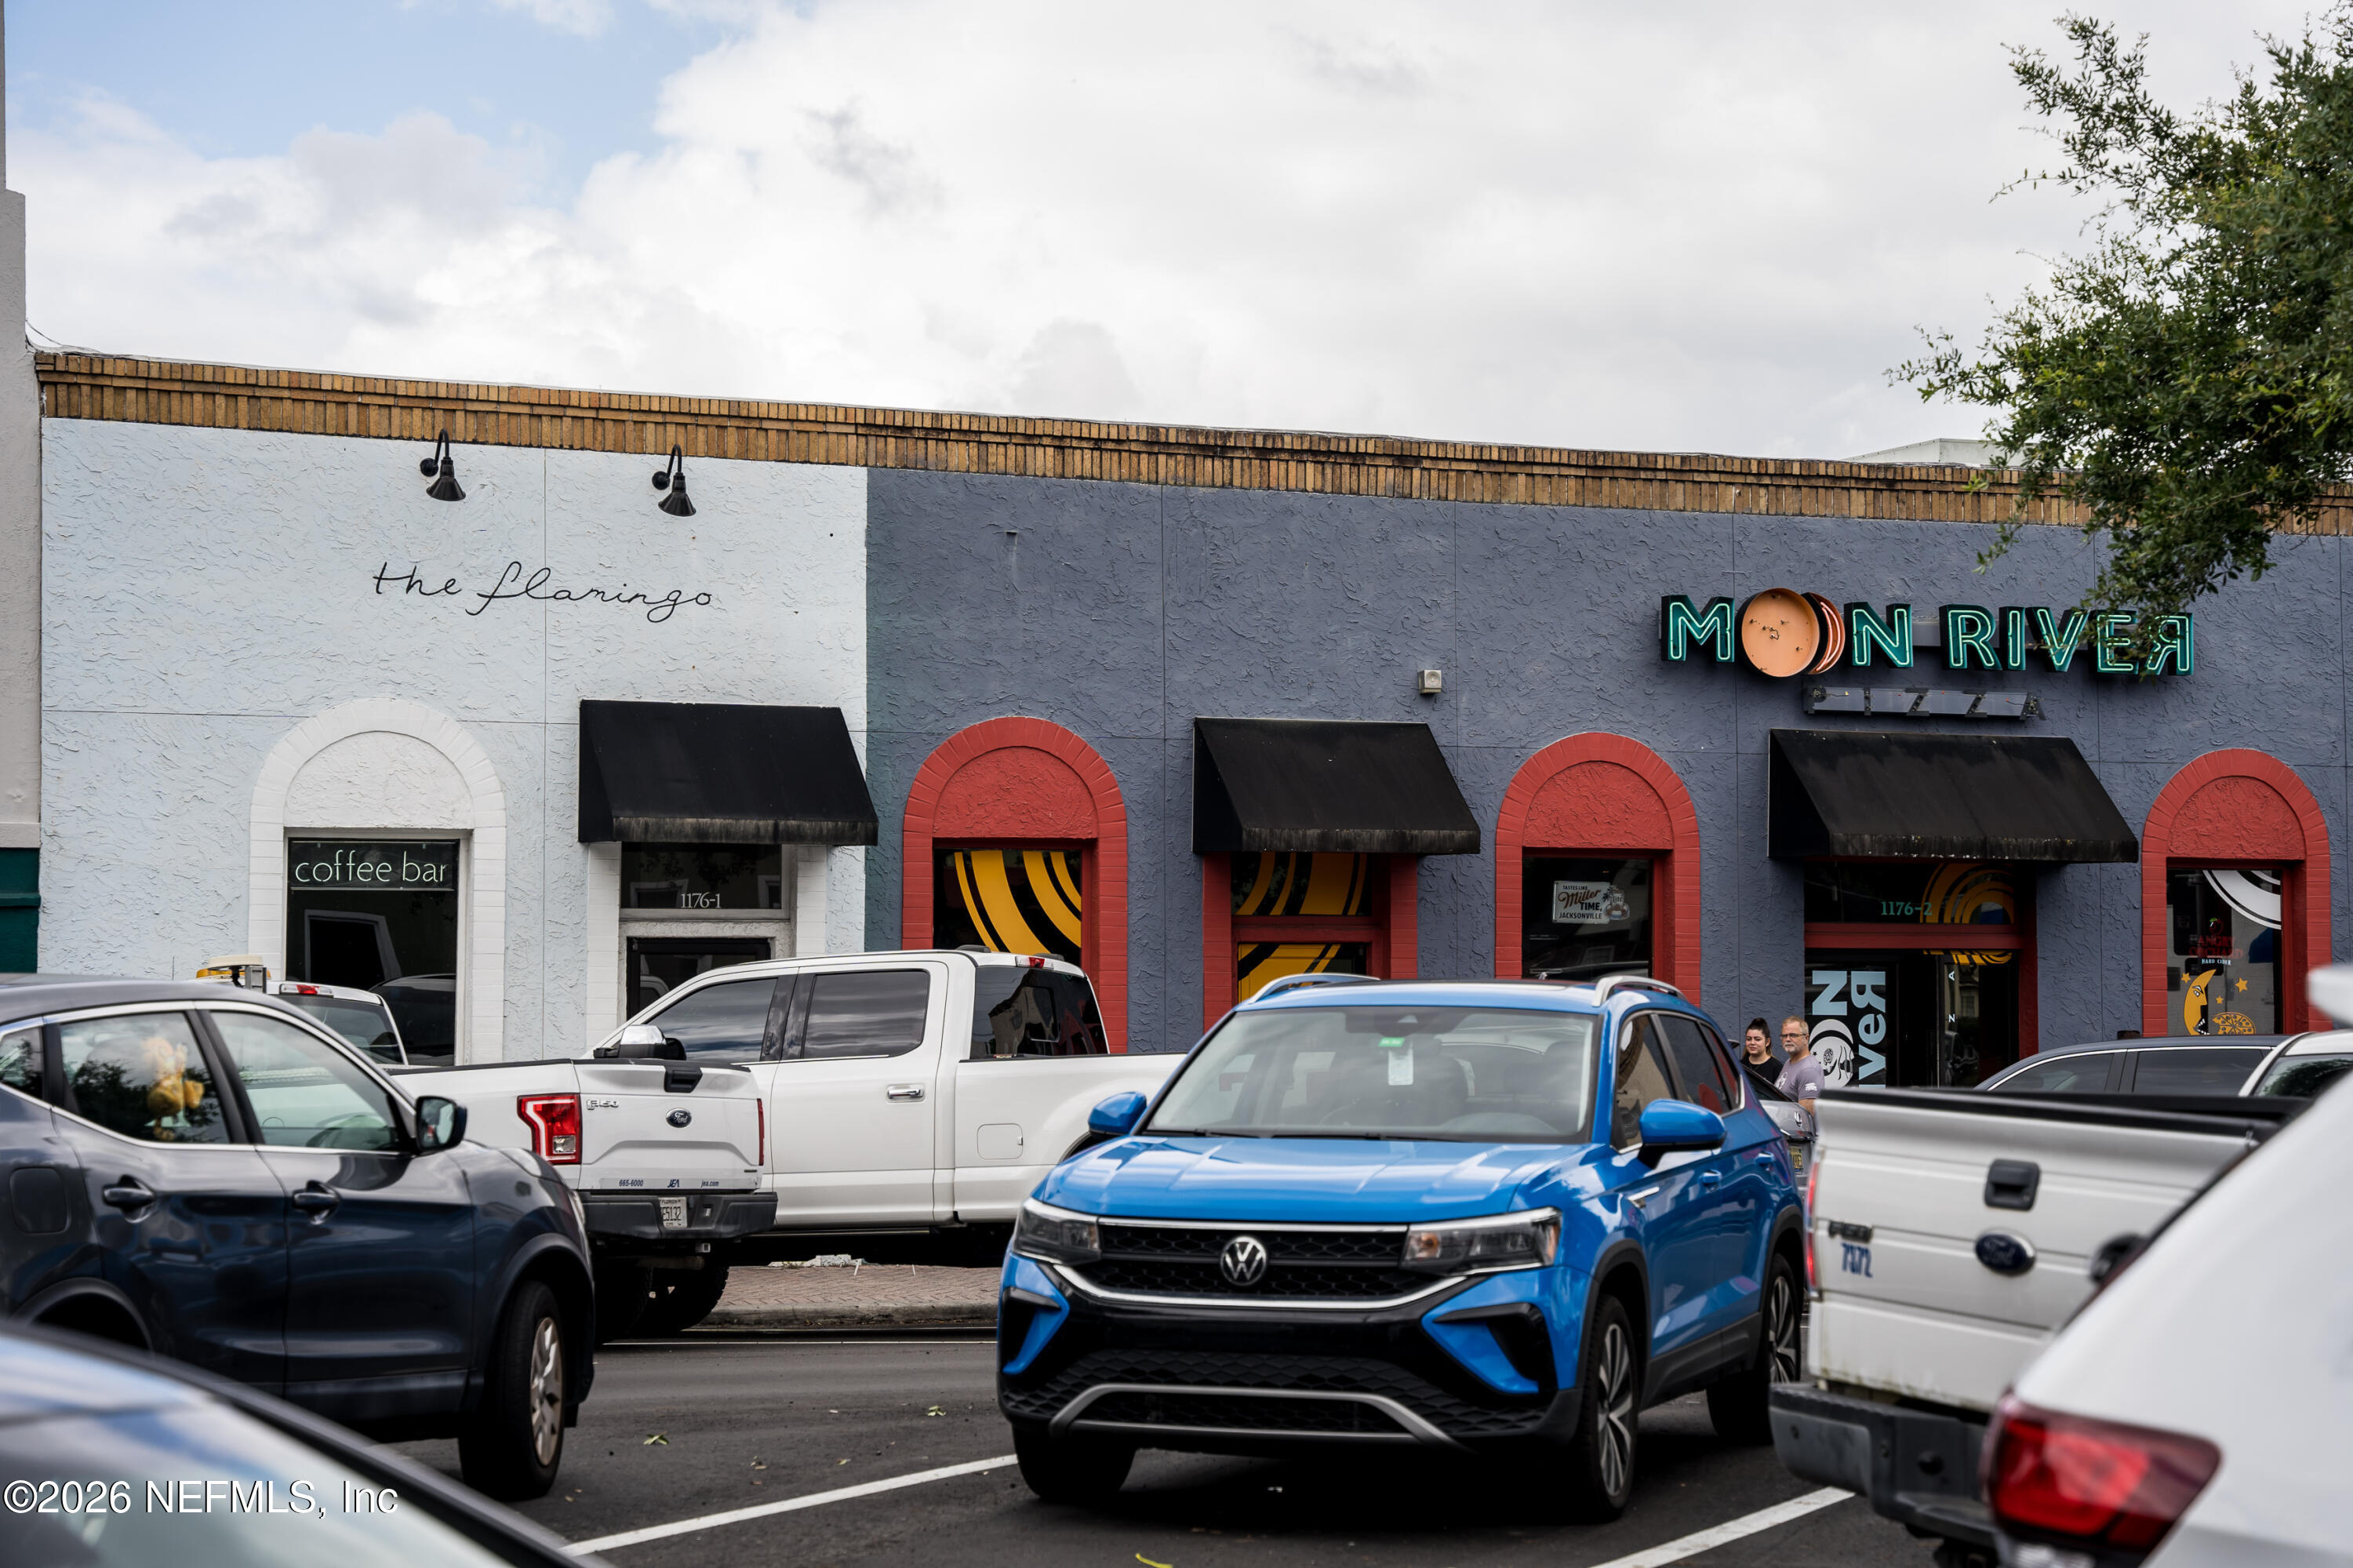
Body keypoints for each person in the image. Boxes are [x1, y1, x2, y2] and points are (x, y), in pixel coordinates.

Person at [1776, 1014, 1825, 1118]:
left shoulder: (1809, 1070)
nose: (1788, 1039)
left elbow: (1806, 1118)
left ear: (1806, 1038)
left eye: (1793, 1035)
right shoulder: (1789, 1063)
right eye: (1785, 1036)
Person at [1740, 1017, 1780, 1090]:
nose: (1752, 1043)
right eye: (1749, 1039)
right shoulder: (1739, 1066)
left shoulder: (1776, 1068)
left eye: (1757, 1039)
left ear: (1767, 1042)